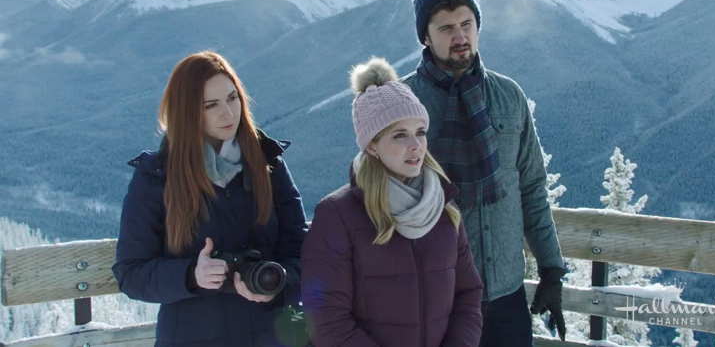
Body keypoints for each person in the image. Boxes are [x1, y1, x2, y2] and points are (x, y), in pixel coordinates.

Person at [403, 0, 567, 345]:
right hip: (435, 296)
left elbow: (531, 188)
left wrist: (551, 270)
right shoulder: (404, 103)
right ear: (426, 38)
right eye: (446, 28)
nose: (459, 36)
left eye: (467, 25)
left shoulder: (508, 96)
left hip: (506, 292)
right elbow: (380, 199)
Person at [113, 51, 308, 347]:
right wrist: (192, 274)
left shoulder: (267, 163)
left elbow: (302, 253)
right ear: (187, 112)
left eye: (233, 98)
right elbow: (131, 274)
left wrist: (277, 282)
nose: (228, 114)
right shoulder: (157, 176)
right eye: (211, 105)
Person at [301, 57, 483, 347]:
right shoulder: (337, 215)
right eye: (400, 135)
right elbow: (326, 319)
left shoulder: (444, 209)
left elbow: (468, 295)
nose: (416, 146)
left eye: (420, 132)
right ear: (372, 144)